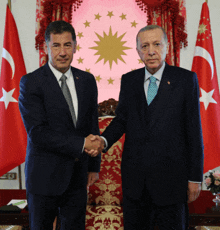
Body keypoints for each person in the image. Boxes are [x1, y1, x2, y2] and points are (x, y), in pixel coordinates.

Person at [89, 25, 204, 229]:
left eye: (157, 44)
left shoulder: (185, 80)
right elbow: (121, 120)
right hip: (136, 183)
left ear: (167, 47)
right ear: (138, 51)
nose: (151, 50)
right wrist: (103, 140)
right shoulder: (129, 80)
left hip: (172, 182)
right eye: (145, 45)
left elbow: (194, 131)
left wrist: (195, 177)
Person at [19, 20, 103, 230]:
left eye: (67, 45)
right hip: (43, 177)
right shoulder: (31, 82)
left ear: (75, 46)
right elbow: (38, 133)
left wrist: (94, 166)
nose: (62, 52)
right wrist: (82, 144)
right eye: (56, 45)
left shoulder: (87, 80)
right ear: (46, 47)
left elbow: (92, 123)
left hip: (77, 177)